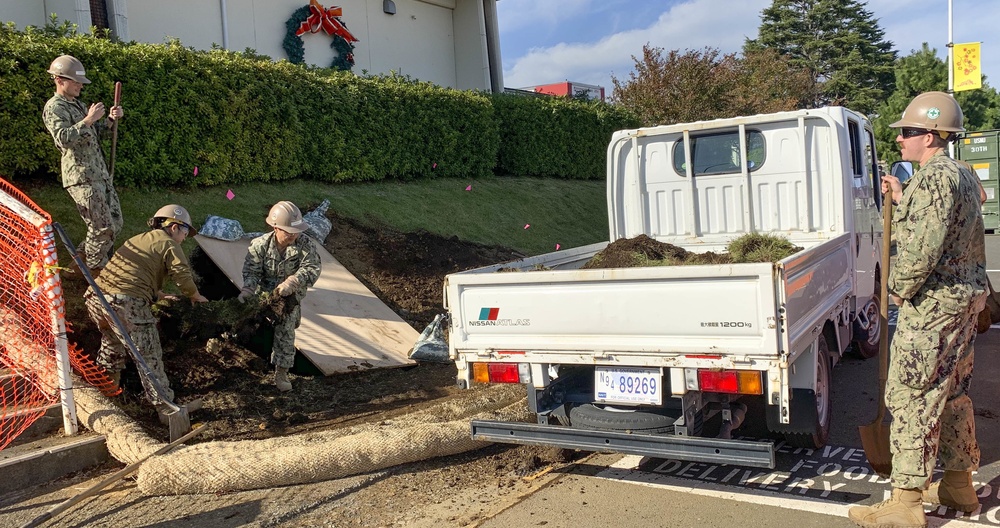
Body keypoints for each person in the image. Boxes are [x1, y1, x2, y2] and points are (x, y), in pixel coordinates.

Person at [849, 92, 987, 528]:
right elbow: (952, 223)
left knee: (910, 394)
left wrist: (894, 289)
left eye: (907, 133)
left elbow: (921, 252)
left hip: (933, 306)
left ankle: (906, 501)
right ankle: (958, 483)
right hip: (964, 299)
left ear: (929, 136)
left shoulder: (933, 180)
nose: (901, 141)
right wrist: (905, 196)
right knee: (951, 392)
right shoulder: (961, 174)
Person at [85, 205, 208, 407]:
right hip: (125, 302)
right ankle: (166, 408)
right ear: (174, 226)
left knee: (112, 343)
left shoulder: (137, 239)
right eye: (186, 231)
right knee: (148, 355)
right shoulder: (169, 243)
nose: (185, 237)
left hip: (96, 298)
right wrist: (195, 295)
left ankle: (104, 394)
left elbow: (132, 272)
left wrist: (158, 294)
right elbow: (181, 274)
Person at [42, 54, 124, 274]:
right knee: (102, 227)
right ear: (60, 80)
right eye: (76, 81)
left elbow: (96, 135)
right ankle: (97, 274)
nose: (80, 85)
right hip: (81, 176)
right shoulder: (55, 107)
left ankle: (81, 260)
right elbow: (63, 139)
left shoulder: (76, 104)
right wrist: (88, 119)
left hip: (98, 173)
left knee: (115, 222)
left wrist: (109, 120)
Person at [239, 201, 321, 392]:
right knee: (244, 319)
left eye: (296, 231)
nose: (293, 234)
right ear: (275, 227)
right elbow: (251, 271)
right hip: (265, 294)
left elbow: (312, 268)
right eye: (288, 231)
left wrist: (294, 281)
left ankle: (281, 372)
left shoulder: (304, 244)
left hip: (289, 298)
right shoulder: (260, 245)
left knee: (286, 329)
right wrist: (248, 290)